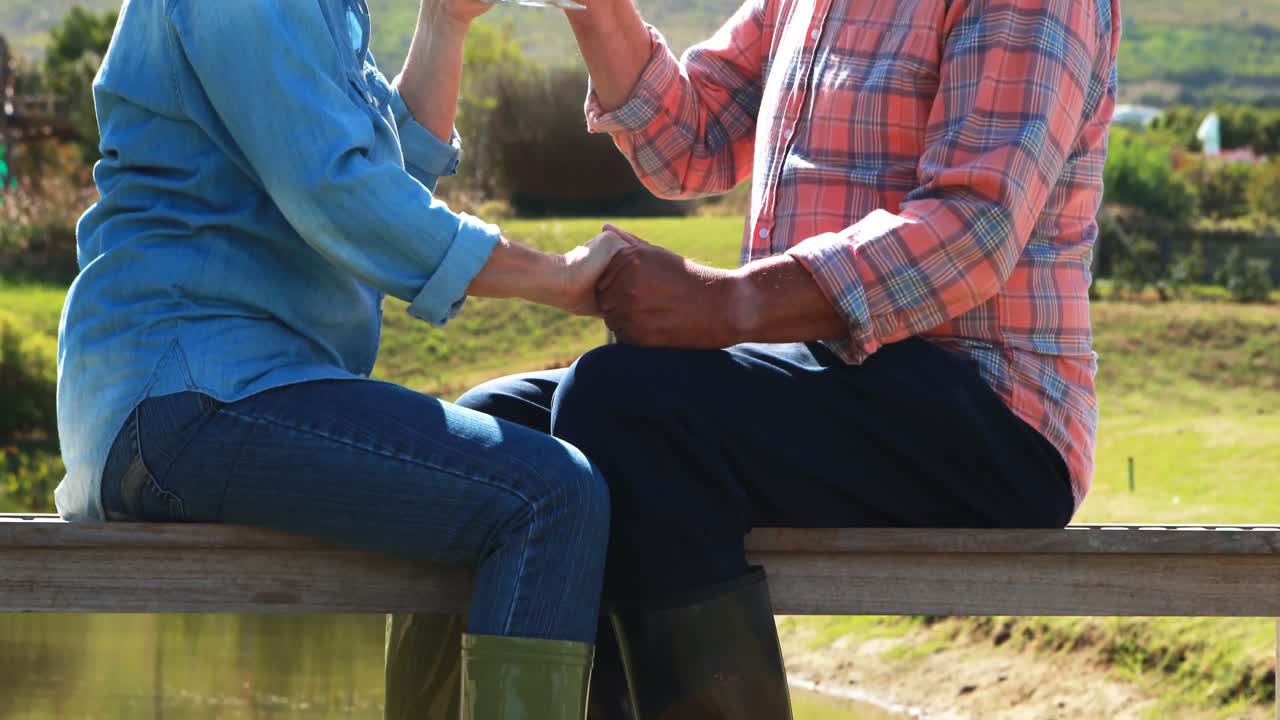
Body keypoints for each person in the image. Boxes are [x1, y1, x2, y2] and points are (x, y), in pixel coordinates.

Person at [387, 0, 1122, 717]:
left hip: (991, 417)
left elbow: (973, 229)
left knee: (625, 406)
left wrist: (725, 305)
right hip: (821, 381)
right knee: (490, 441)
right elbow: (691, 143)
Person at [54, 1, 625, 717]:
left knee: (524, 488)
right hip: (191, 393)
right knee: (550, 497)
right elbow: (339, 196)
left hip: (229, 395)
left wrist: (445, 22)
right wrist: (559, 279)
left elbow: (389, 178)